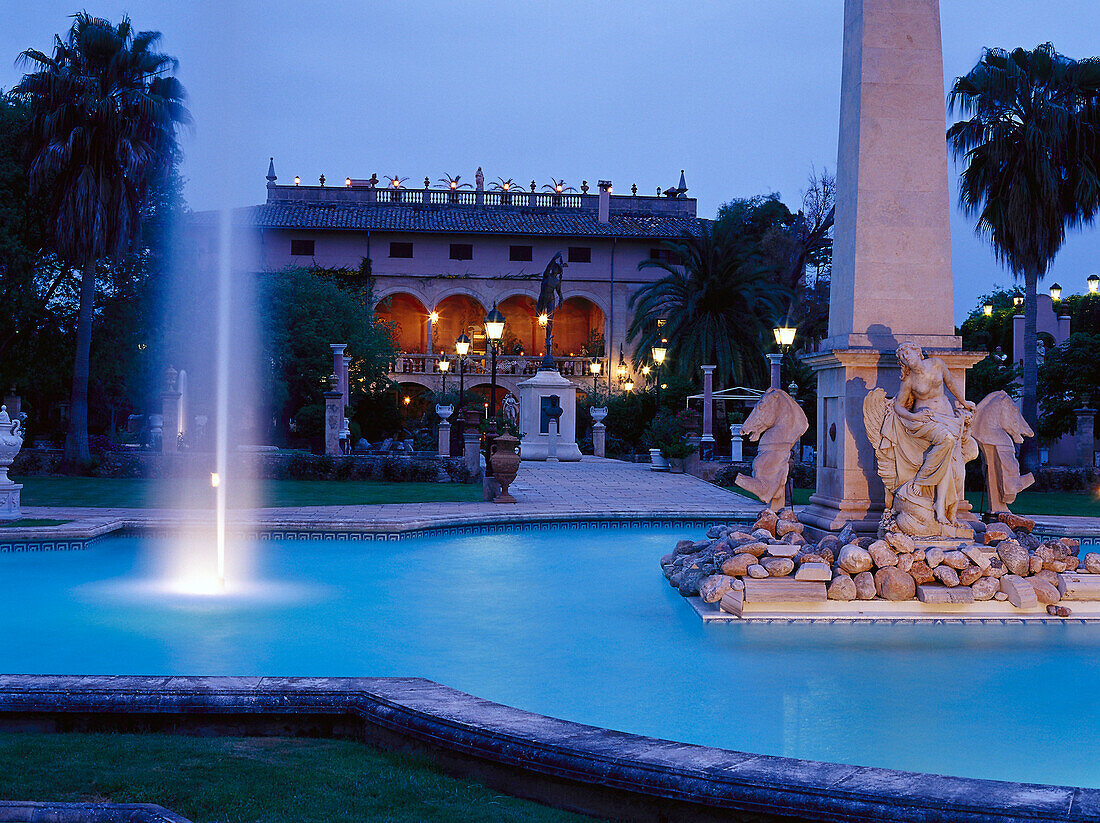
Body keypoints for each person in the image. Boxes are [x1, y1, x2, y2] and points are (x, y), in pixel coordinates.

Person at [890, 342, 975, 527]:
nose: (906, 357)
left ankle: (942, 506)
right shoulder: (909, 380)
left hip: (948, 418)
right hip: (925, 421)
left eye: (908, 352)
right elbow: (898, 405)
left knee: (953, 467)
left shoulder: (937, 364)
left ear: (917, 351)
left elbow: (951, 383)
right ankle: (921, 481)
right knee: (947, 440)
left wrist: (963, 402)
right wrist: (914, 415)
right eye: (902, 356)